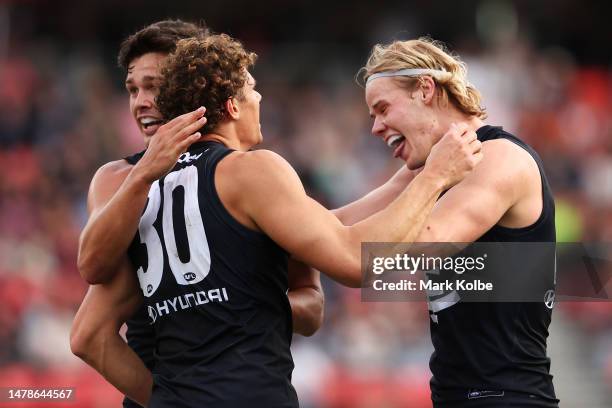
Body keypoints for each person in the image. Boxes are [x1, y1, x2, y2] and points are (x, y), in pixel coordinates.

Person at [86, 33, 480, 407]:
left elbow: (89, 333)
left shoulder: (143, 192)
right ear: (233, 106)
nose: (260, 97)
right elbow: (354, 260)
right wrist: (434, 177)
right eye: (253, 88)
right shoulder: (249, 171)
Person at [69, 20, 322, 408]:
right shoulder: (117, 177)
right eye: (133, 89)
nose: (140, 102)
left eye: (153, 86)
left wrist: (241, 301)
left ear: (192, 84)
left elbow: (313, 302)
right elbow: (91, 267)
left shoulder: (245, 174)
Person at [360, 37, 558, 407]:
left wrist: (433, 177)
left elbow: (410, 250)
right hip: (457, 396)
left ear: (425, 89)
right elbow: (339, 226)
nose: (376, 127)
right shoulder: (434, 167)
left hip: (507, 397)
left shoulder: (500, 158)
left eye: (383, 108)